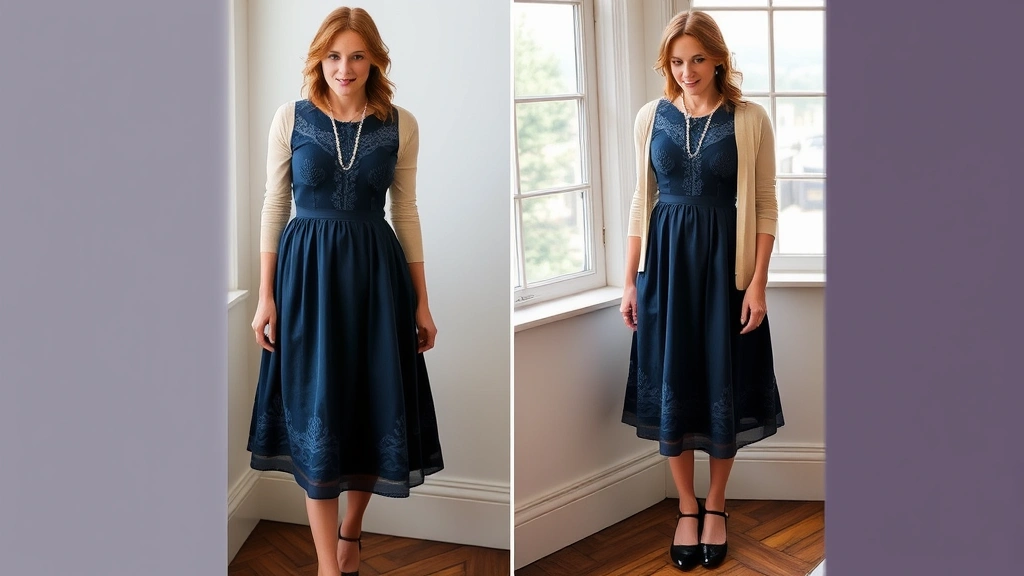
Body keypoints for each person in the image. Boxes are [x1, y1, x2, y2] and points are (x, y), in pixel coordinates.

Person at [246, 7, 444, 576]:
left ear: (375, 60)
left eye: (357, 55)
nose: (344, 67)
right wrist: (266, 296)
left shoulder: (400, 124)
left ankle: (350, 535)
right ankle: (328, 566)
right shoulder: (292, 117)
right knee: (319, 409)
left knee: (369, 403)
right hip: (305, 279)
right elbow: (273, 205)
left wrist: (422, 300)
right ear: (318, 60)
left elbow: (404, 210)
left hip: (377, 279)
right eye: (334, 55)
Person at [619, 10, 785, 571]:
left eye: (696, 59)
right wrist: (630, 281)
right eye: (676, 61)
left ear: (717, 58)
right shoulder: (651, 116)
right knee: (674, 381)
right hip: (664, 270)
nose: (687, 71)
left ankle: (716, 505)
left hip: (724, 272)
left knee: (722, 381)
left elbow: (764, 206)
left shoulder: (749, 118)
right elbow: (641, 204)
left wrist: (756, 286)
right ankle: (685, 507)